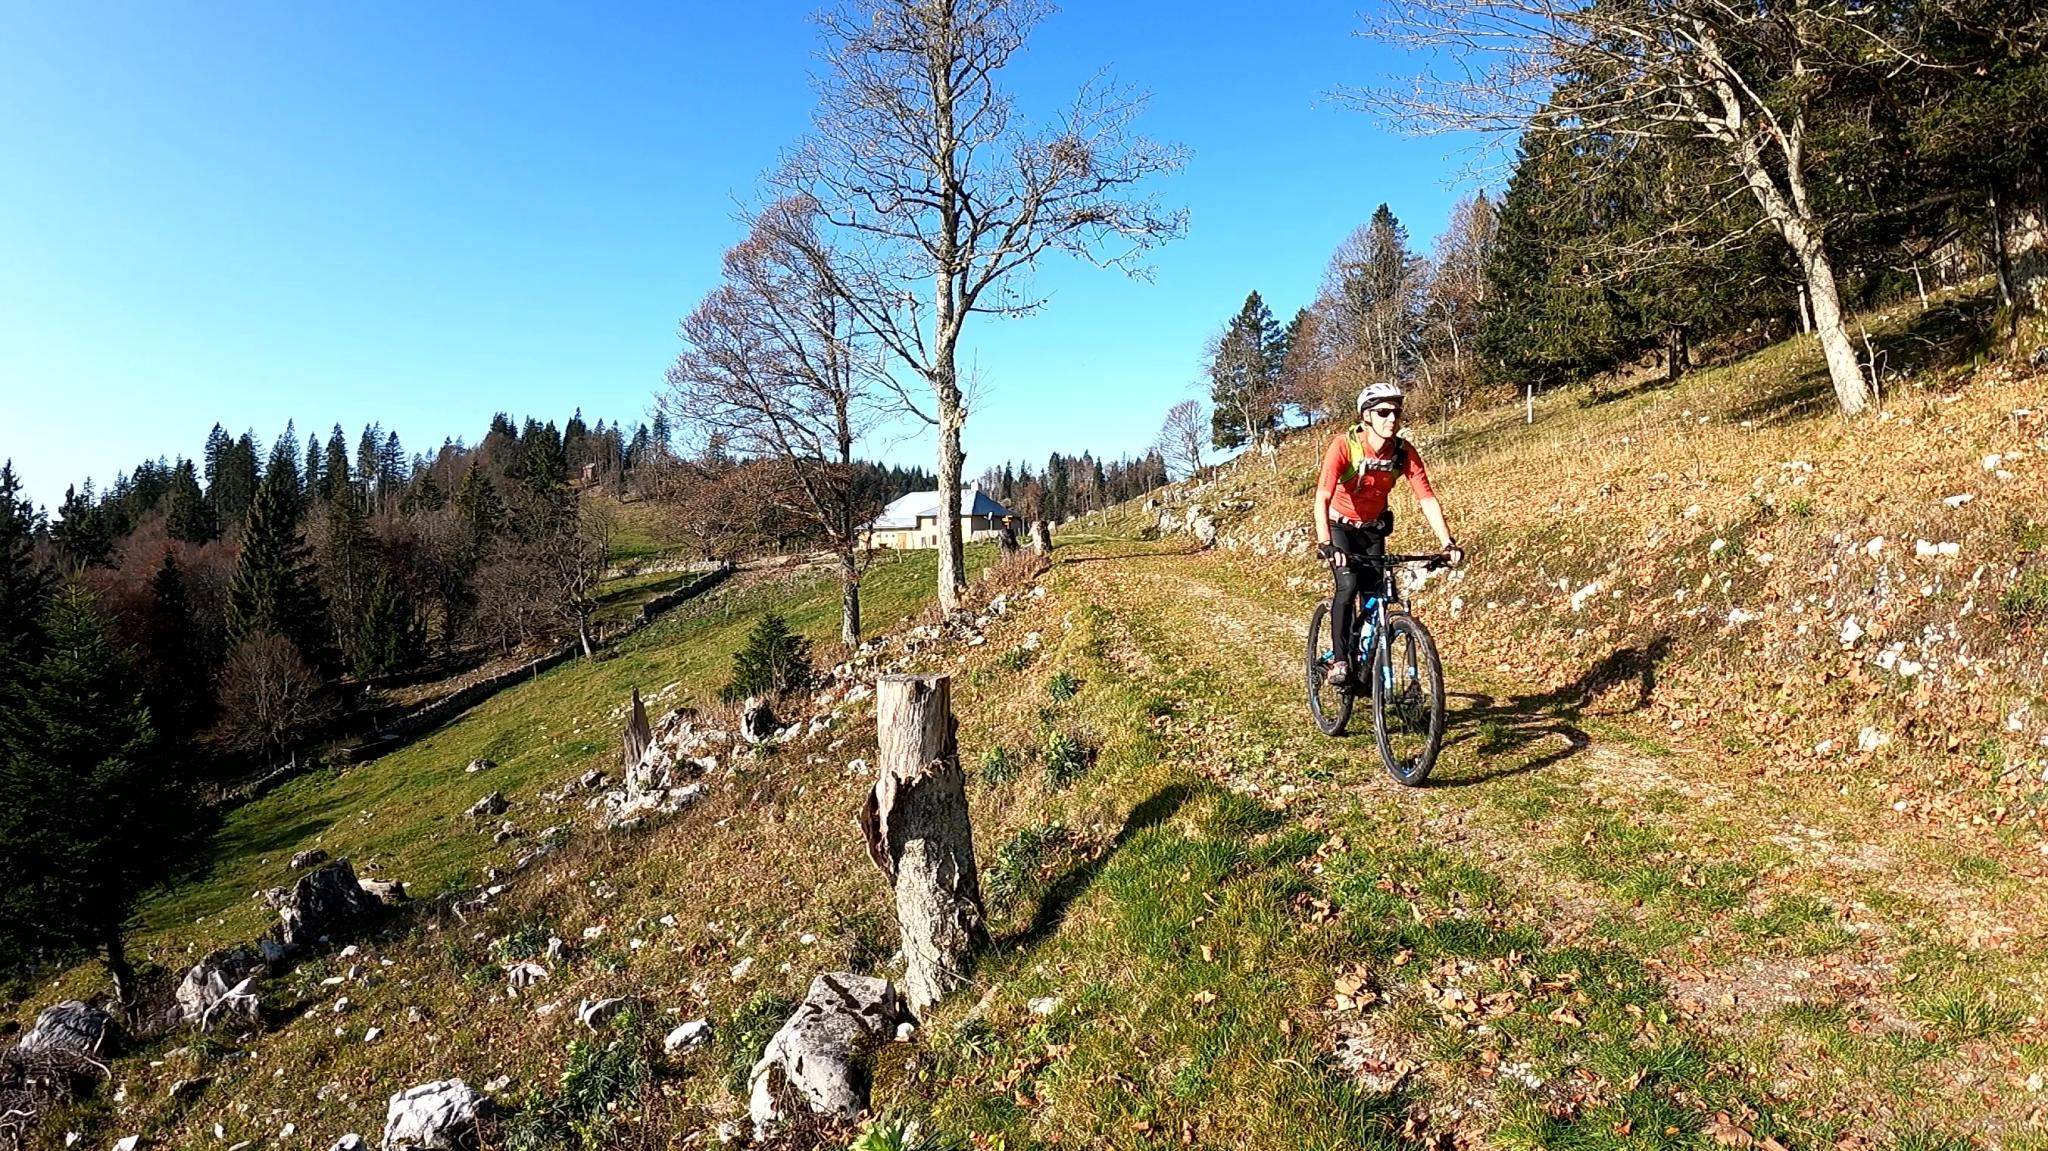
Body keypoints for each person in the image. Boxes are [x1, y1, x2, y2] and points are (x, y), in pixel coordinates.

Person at [1313, 382, 1463, 686]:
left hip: (1373, 529)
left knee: (1375, 595)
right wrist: (1326, 543)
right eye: (1383, 412)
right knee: (1348, 584)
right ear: (1366, 416)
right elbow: (1322, 497)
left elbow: (1426, 498)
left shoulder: (1403, 452)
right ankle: (1341, 661)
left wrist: (1447, 542)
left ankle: (1368, 664)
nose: (1391, 419)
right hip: (1339, 527)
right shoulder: (1344, 446)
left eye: (1396, 412)